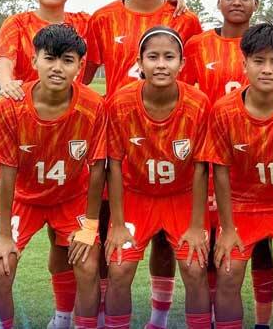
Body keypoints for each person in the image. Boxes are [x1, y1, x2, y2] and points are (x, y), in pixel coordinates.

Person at [83, 0, 202, 328]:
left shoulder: (184, 19)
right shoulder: (103, 18)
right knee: (108, 232)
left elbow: (194, 78)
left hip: (169, 142)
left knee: (166, 241)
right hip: (118, 142)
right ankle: (103, 313)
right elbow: (82, 76)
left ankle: (159, 318)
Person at [202, 23, 273, 329]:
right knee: (228, 272)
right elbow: (220, 172)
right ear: (244, 64)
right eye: (258, 61)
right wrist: (227, 228)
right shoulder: (223, 110)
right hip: (242, 206)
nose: (267, 69)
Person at [0, 0, 89, 327]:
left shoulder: (84, 23)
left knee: (69, 249)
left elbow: (132, 23)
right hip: (25, 141)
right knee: (0, 261)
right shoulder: (17, 23)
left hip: (68, 148)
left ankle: (64, 319)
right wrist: (7, 84)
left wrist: (173, 6)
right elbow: (4, 61)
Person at [180, 0, 273, 328]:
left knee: (262, 245)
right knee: (211, 245)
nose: (237, 2)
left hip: (256, 164)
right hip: (211, 160)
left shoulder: (267, 48)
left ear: (256, 3)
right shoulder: (197, 45)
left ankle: (263, 321)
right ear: (218, 0)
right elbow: (183, 97)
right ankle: (209, 317)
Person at [104, 26, 211, 329]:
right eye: (153, 57)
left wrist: (196, 226)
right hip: (137, 195)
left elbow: (202, 166)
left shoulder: (199, 103)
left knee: (194, 268)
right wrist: (117, 224)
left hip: (182, 196)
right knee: (119, 268)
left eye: (169, 57)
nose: (161, 64)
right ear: (139, 62)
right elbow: (114, 164)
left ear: (182, 63)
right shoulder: (120, 103)